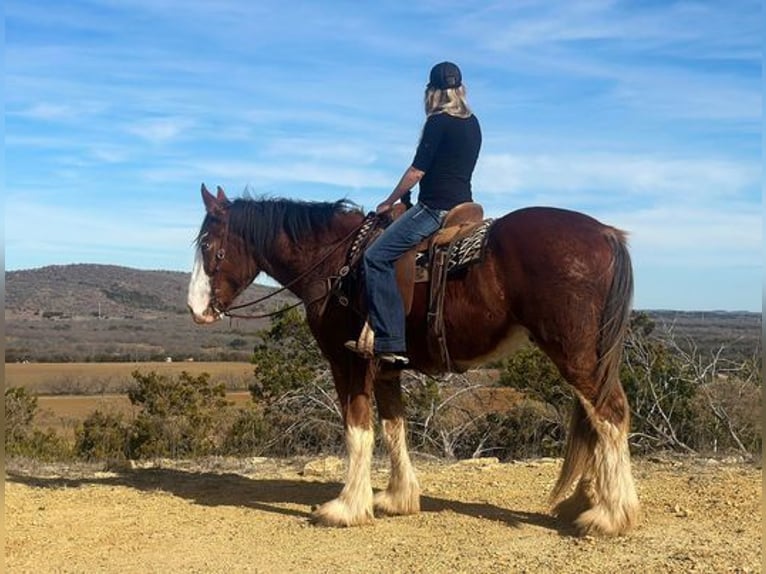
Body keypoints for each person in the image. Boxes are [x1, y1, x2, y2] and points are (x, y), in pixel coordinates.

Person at [352, 61, 482, 366]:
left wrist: (389, 201)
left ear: (433, 93)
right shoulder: (473, 122)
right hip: (466, 207)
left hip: (435, 209)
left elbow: (417, 171)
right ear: (460, 89)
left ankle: (390, 338)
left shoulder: (438, 122)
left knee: (376, 257)